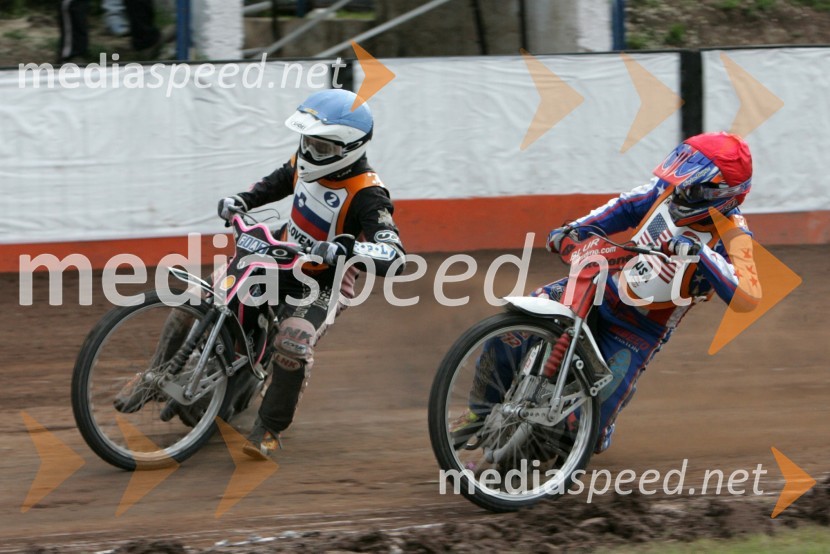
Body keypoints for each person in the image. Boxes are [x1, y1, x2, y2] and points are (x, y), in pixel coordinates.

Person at [452, 131, 760, 455]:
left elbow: (748, 294)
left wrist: (699, 251)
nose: (680, 191)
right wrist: (575, 230)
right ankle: (480, 411)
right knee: (508, 332)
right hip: (598, 287)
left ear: (722, 193)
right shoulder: (663, 192)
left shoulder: (734, 235)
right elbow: (624, 207)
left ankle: (589, 431)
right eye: (680, 181)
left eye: (691, 186)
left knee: (581, 437)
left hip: (638, 331)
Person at [216, 88, 407, 460]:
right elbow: (279, 180)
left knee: (293, 340)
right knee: (211, 295)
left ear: (346, 148)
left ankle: (269, 427)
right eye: (308, 141)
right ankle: (158, 373)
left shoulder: (369, 194)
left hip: (324, 282)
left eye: (322, 146)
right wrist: (243, 199)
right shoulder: (304, 162)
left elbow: (394, 253)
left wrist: (347, 249)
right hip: (281, 256)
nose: (310, 151)